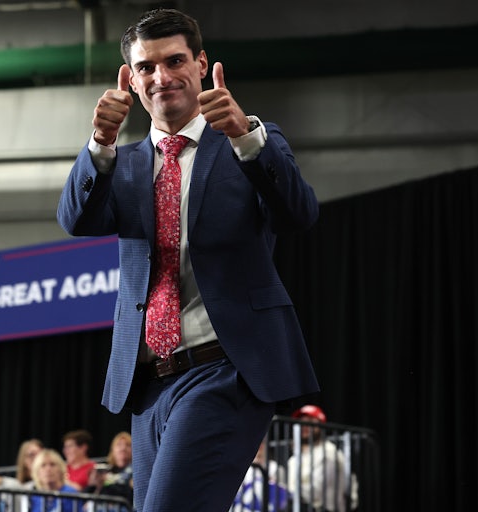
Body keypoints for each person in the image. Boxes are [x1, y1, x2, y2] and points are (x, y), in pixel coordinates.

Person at [56, 8, 319, 511]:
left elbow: (299, 213)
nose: (161, 77)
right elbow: (76, 220)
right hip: (149, 382)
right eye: (146, 67)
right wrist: (100, 145)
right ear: (132, 81)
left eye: (174, 60)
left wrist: (245, 134)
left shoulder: (250, 141)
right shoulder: (122, 163)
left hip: (226, 367)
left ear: (201, 64)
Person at [286, 405, 347, 512]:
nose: (304, 426)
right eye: (300, 422)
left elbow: (316, 492)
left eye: (309, 421)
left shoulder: (329, 453)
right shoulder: (294, 459)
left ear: (320, 425)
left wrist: (284, 492)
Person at [231, 437, 288, 512]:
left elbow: (281, 496)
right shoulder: (241, 470)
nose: (259, 446)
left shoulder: (275, 468)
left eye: (261, 443)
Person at [85, 432, 133, 506]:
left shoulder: (135, 472)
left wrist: (106, 482)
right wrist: (93, 484)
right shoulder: (105, 469)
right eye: (119, 445)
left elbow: (129, 494)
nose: (123, 448)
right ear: (112, 450)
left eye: (128, 445)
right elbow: (86, 495)